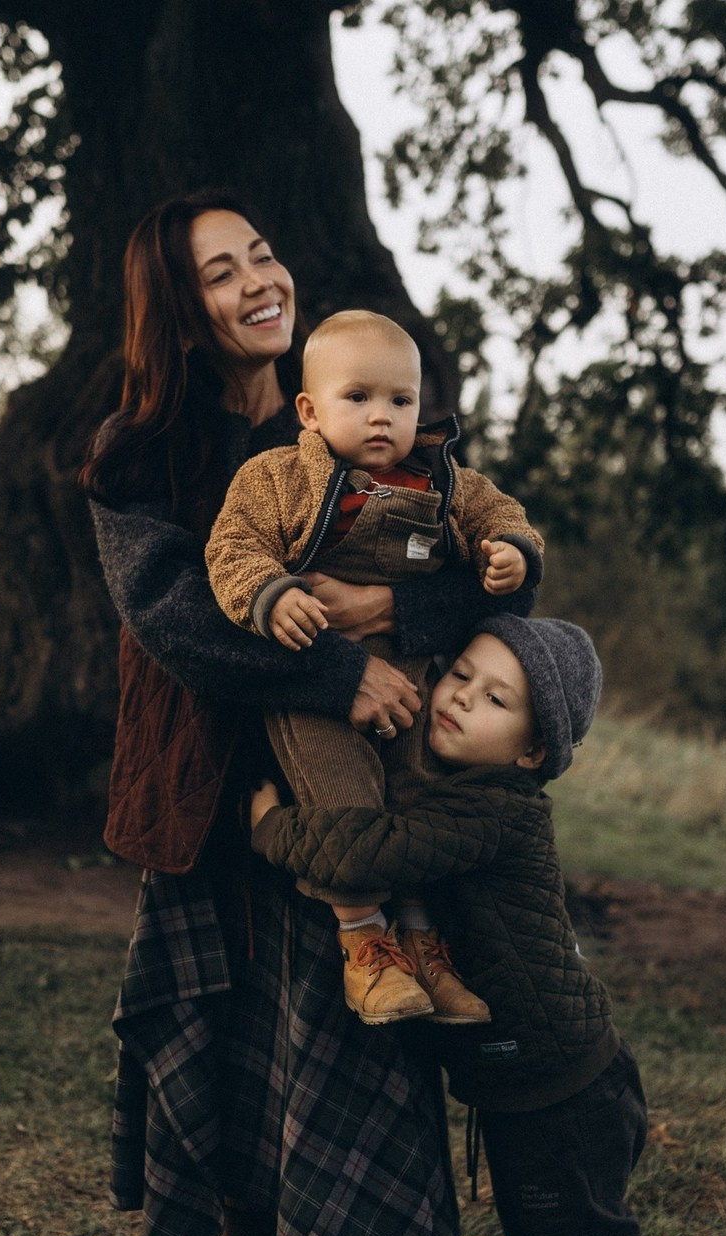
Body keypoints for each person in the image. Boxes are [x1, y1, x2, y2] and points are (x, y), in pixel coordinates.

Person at [81, 190, 534, 1236]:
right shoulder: (140, 450)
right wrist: (341, 668)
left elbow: (477, 568)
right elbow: (174, 617)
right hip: (217, 808)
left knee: (348, 1076)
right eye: (221, 272)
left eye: (263, 254)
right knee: (234, 1102)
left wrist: (395, 619)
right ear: (177, 310)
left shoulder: (362, 413)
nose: (259, 281)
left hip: (359, 801)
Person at [249, 617, 649, 1236]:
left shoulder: (494, 809)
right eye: (460, 674)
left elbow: (367, 854)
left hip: (562, 1100)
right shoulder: (458, 794)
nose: (461, 696)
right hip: (544, 1087)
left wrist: (271, 827)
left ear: (532, 754)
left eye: (496, 699)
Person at [205, 309, 545, 1026]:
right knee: (345, 800)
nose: (382, 417)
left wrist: (513, 550)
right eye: (357, 398)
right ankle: (365, 948)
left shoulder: (447, 483)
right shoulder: (279, 478)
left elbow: (503, 514)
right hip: (316, 684)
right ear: (309, 409)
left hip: (418, 678)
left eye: (401, 399)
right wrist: (266, 595)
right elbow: (232, 546)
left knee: (420, 794)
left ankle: (423, 944)